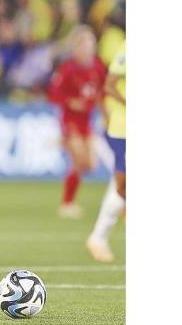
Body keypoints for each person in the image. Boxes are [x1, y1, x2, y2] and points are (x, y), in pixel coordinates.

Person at [47, 25, 107, 218]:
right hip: (70, 122)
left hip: (87, 122)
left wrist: (104, 110)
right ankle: (67, 203)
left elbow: (104, 90)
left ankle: (69, 201)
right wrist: (72, 102)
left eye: (91, 42)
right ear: (76, 46)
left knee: (90, 165)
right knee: (78, 159)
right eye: (84, 43)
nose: (88, 47)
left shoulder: (98, 66)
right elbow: (54, 95)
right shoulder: (68, 69)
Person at [86, 40, 126, 262]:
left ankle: (98, 238)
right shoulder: (128, 48)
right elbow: (109, 85)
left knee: (122, 181)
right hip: (124, 127)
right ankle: (98, 238)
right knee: (123, 181)